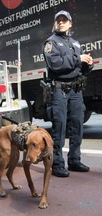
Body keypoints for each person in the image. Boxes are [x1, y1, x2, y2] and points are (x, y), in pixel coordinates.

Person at [42, 10, 93, 177]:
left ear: (70, 23)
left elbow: (79, 69)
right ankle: (56, 164)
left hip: (76, 90)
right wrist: (78, 60)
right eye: (59, 20)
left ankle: (74, 160)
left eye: (65, 20)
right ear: (56, 23)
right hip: (59, 90)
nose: (61, 23)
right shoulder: (51, 42)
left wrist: (87, 65)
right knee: (59, 126)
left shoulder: (76, 43)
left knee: (77, 125)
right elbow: (56, 65)